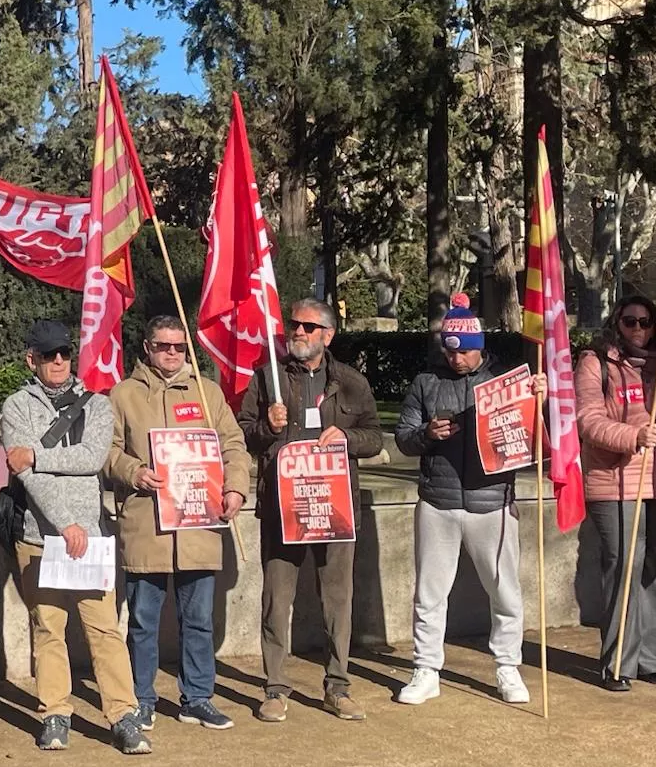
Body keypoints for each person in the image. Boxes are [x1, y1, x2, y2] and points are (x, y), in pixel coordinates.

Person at [1, 320, 151, 756]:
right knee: (49, 628)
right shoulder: (16, 406)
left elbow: (92, 459)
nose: (60, 361)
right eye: (49, 355)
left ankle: (123, 715)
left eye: (64, 353)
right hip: (39, 536)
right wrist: (65, 523)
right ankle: (55, 713)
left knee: (104, 629)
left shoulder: (98, 406)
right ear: (32, 359)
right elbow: (24, 472)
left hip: (92, 537)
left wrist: (38, 454)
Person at [392, 293, 541, 706]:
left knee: (505, 590)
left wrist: (538, 398)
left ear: (479, 348)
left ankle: (508, 667)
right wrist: (426, 435)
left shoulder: (507, 381)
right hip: (438, 501)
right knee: (429, 593)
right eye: (451, 351)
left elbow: (536, 438)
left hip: (492, 501)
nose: (457, 359)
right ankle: (426, 669)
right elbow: (404, 438)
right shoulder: (426, 383)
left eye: (466, 352)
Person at [238, 297, 382, 722]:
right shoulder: (268, 379)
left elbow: (374, 436)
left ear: (327, 335)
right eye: (293, 326)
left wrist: (348, 439)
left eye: (307, 327)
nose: (297, 333)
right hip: (284, 508)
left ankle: (337, 685)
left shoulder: (352, 382)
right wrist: (269, 426)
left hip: (335, 509)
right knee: (275, 600)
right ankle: (275, 688)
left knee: (337, 600)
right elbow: (244, 433)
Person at [104, 315, 252, 731]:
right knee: (142, 622)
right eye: (163, 346)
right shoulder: (123, 395)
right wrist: (133, 471)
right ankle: (141, 699)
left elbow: (234, 445)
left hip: (198, 526)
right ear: (147, 348)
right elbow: (107, 451)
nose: (172, 353)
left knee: (199, 620)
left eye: (179, 347)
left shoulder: (208, 394)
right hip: (146, 526)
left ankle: (198, 697)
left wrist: (236, 488)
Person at [574, 293, 656, 691]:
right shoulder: (595, 363)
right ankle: (618, 663)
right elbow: (587, 419)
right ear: (617, 322)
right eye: (630, 321)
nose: (639, 330)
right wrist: (633, 436)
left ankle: (651, 658)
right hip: (617, 483)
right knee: (624, 569)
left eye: (647, 322)